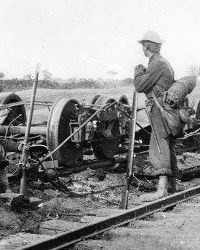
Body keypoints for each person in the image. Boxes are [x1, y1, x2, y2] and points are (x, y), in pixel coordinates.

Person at [134, 31, 178, 202]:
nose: (142, 49)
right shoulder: (163, 62)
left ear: (148, 46)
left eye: (143, 45)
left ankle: (161, 189)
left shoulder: (156, 63)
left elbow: (140, 85)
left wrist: (138, 71)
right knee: (168, 144)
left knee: (158, 144)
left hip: (159, 110)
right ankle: (171, 186)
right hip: (167, 110)